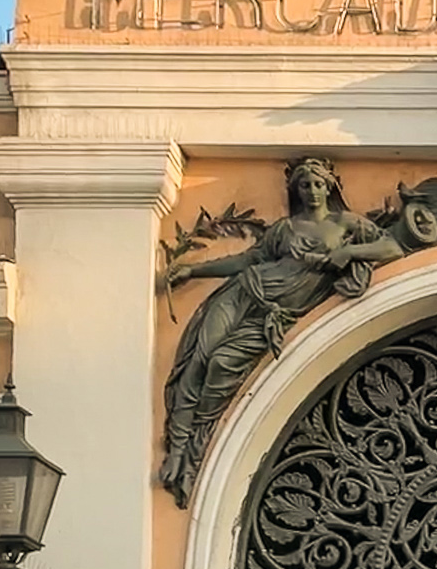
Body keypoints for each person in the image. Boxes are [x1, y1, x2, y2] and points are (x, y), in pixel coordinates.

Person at [158, 157, 402, 506]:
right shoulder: (285, 230)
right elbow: (247, 261)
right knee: (197, 361)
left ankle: (201, 441)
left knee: (221, 364)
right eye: (305, 185)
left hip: (276, 315)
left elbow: (391, 247)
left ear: (330, 186)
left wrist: (348, 251)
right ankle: (178, 451)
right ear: (296, 189)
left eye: (318, 184)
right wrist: (194, 272)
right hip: (244, 292)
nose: (313, 192)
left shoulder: (345, 224)